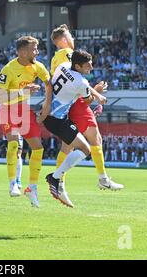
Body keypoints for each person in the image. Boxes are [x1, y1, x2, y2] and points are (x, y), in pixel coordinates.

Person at [50, 24, 123, 191]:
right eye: (70, 36)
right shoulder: (67, 54)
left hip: (66, 102)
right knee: (95, 139)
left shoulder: (56, 58)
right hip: (76, 103)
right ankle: (102, 179)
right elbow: (75, 80)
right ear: (63, 39)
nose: (73, 39)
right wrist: (96, 94)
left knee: (67, 146)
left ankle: (59, 181)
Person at [43, 50, 107, 208]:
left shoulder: (63, 65)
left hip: (50, 114)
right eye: (87, 65)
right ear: (77, 66)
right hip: (57, 120)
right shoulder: (81, 82)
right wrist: (97, 93)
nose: (91, 67)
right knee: (85, 150)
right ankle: (55, 177)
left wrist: (96, 95)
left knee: (73, 147)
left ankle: (56, 179)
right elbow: (85, 100)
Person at [0, 36, 52, 208]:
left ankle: (32, 187)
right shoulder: (9, 69)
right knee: (14, 145)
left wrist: (47, 105)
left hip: (25, 110)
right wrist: (22, 92)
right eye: (33, 49)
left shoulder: (38, 66)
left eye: (37, 48)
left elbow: (49, 84)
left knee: (38, 148)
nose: (36, 52)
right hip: (8, 109)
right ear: (22, 51)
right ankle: (13, 183)